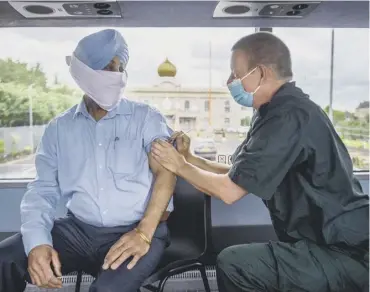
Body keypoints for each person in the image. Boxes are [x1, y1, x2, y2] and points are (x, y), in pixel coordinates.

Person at [151, 32, 369, 292]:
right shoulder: (271, 112)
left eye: (236, 73)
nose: (230, 81)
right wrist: (190, 159)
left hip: (345, 251)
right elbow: (238, 176)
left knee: (235, 264)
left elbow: (229, 192)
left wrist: (178, 165)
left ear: (262, 73)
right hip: (327, 242)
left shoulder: (288, 116)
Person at [0, 29, 176, 292]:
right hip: (77, 232)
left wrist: (143, 232)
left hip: (136, 229)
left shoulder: (146, 118)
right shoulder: (59, 128)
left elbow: (166, 173)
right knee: (4, 259)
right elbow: (43, 189)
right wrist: (38, 242)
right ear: (82, 73)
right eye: (107, 68)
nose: (115, 76)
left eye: (119, 68)